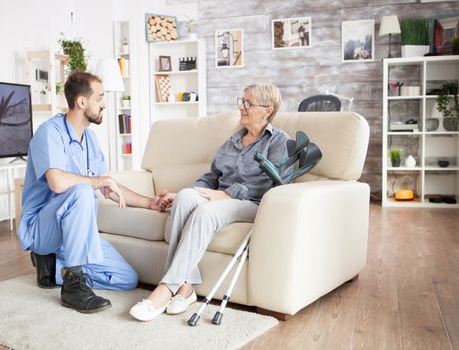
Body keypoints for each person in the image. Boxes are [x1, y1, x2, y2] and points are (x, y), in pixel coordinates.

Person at [129, 84, 293, 321]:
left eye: (248, 103)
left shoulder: (278, 142)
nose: (241, 107)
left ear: (267, 111)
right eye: (241, 101)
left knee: (205, 213)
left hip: (252, 203)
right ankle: (185, 288)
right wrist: (190, 192)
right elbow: (212, 177)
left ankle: (165, 289)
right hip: (221, 199)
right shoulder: (232, 141)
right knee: (185, 198)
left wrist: (228, 194)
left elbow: (272, 184)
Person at [18, 71, 171, 314]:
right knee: (82, 191)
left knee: (125, 278)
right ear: (81, 102)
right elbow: (57, 183)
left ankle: (52, 265)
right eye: (100, 97)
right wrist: (97, 181)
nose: (104, 104)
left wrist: (149, 203)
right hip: (43, 228)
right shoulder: (49, 133)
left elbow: (108, 186)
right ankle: (73, 286)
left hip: (74, 234)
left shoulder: (89, 139)